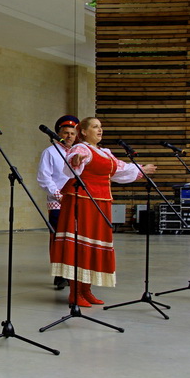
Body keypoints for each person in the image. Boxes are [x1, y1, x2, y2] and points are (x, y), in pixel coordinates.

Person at [50, 117, 157, 307]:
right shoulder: (81, 148)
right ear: (84, 132)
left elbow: (120, 169)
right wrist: (76, 160)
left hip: (101, 202)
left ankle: (86, 290)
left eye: (100, 127)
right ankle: (75, 292)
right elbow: (72, 162)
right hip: (82, 202)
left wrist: (141, 169)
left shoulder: (105, 153)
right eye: (95, 127)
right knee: (81, 246)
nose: (100, 130)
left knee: (93, 246)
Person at [37, 115, 78, 290]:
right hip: (58, 201)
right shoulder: (50, 152)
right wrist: (58, 195)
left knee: (76, 238)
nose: (69, 136)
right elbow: (44, 177)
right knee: (59, 238)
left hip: (77, 201)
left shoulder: (79, 152)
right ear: (58, 134)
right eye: (66, 133)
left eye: (72, 133)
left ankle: (75, 273)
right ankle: (60, 275)